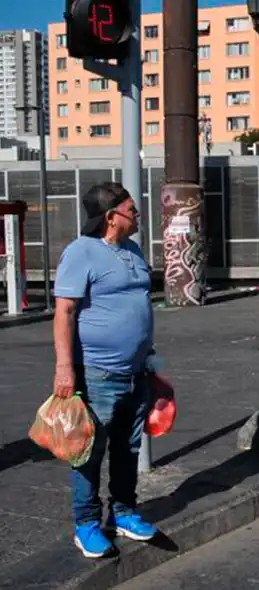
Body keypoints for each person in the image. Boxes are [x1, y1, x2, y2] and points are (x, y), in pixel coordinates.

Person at [52, 182, 159, 558]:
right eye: (133, 209)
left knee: (129, 447)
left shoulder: (132, 249)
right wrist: (65, 368)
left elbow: (140, 309)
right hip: (97, 373)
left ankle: (125, 513)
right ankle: (86, 524)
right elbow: (64, 312)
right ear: (112, 216)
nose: (138, 215)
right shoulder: (81, 252)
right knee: (89, 451)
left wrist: (152, 362)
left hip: (137, 372)